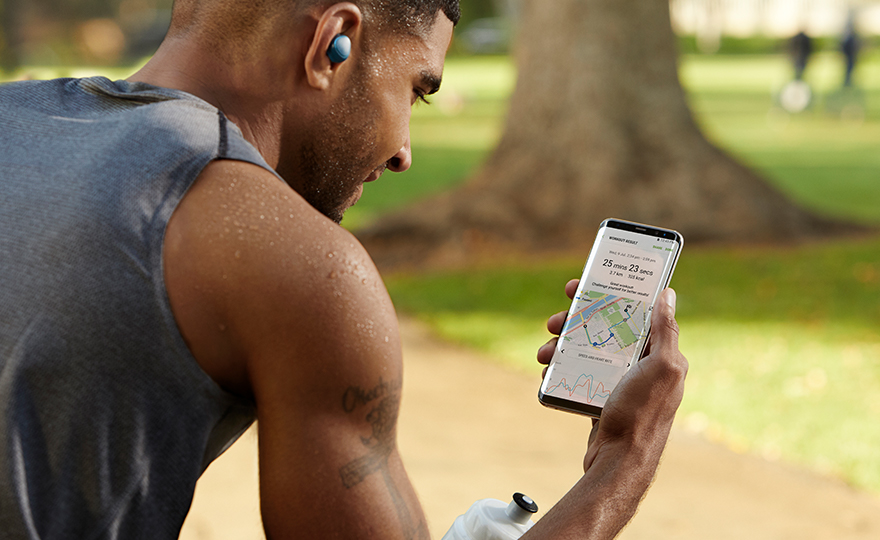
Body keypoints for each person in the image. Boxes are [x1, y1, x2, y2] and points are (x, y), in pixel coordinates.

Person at [0, 0, 688, 538]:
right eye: (416, 90)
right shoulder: (301, 265)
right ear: (335, 41)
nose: (404, 153)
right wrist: (623, 462)